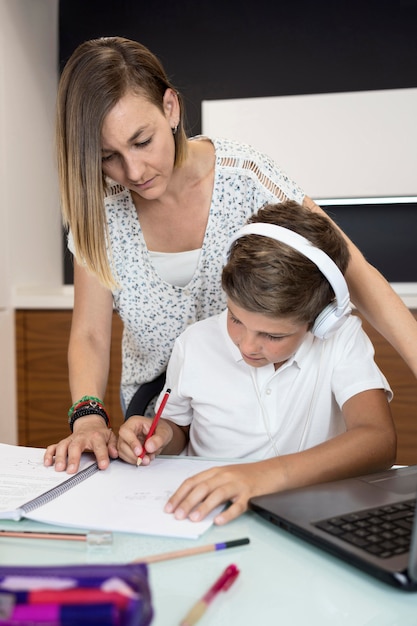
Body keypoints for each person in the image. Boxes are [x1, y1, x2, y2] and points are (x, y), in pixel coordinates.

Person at [44, 36, 415, 475]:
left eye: (142, 142)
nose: (134, 172)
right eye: (109, 157)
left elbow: (351, 271)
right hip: (158, 411)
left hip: (250, 388)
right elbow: (89, 333)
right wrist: (88, 416)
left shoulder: (247, 177)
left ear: (170, 109)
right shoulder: (101, 208)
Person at [117, 201, 396, 525]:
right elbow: (180, 428)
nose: (247, 345)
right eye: (235, 319)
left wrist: (263, 476)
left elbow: (379, 440)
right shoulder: (195, 344)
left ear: (319, 321)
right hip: (209, 513)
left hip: (308, 515)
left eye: (273, 336)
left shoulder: (340, 339)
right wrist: (161, 434)